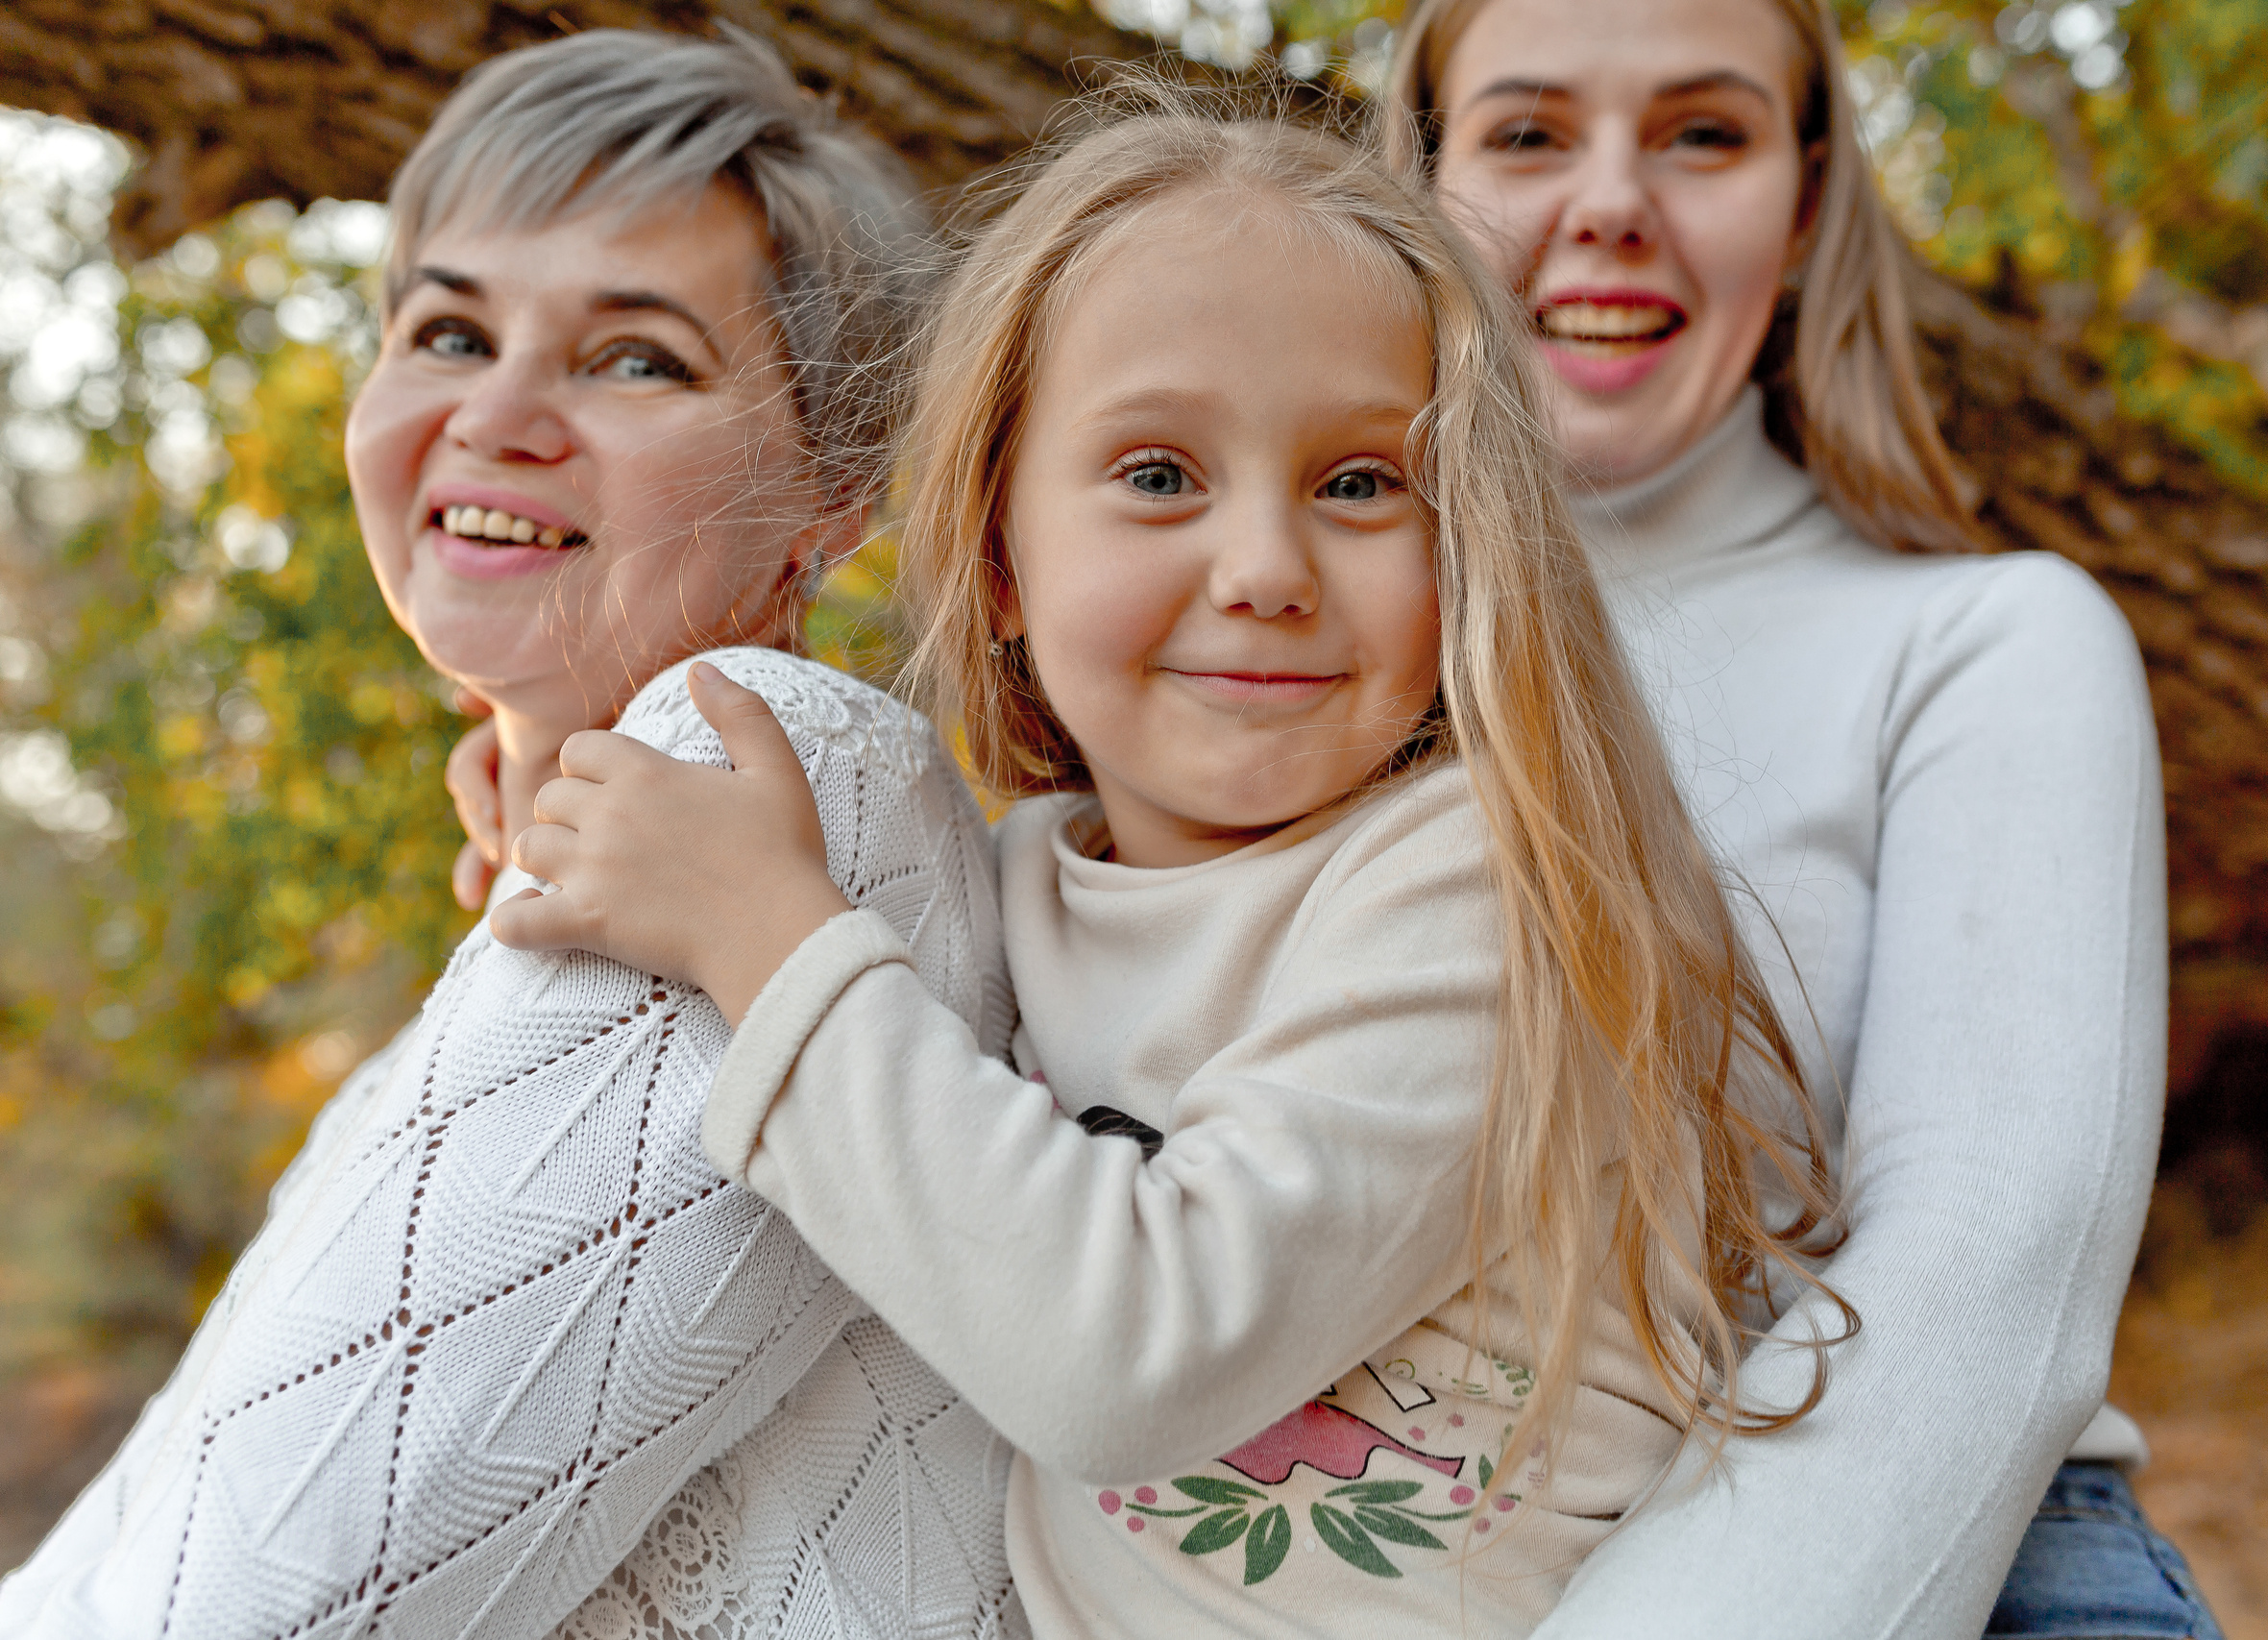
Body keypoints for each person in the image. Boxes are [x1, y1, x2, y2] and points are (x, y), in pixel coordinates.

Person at [484, 92, 1854, 1640]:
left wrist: (768, 939)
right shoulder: (1011, 882)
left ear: (1462, 543)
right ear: (998, 558)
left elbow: (1125, 1356)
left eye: (1357, 484)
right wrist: (566, 792)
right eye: (1156, 475)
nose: (1267, 571)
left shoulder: (1477, 884)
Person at [0, 31, 1022, 1640]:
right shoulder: (608, 854)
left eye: (635, 359)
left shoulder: (767, 779)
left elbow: (269, 1586)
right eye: (449, 328)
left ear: (835, 486)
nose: (498, 415)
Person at [1384, 0, 2222, 1635]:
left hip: (1946, 1557)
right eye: (1530, 133)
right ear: (1412, 188)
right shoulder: (1272, 648)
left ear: (1812, 201)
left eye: (1704, 133)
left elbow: (1991, 1267)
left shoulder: (1988, 646)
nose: (1613, 199)